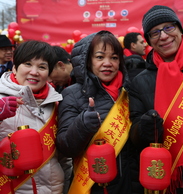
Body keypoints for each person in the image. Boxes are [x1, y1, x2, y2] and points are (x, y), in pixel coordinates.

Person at [56, 30, 141, 194]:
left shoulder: (130, 90)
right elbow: (65, 147)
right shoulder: (72, 94)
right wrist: (82, 125)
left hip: (132, 183)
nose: (108, 63)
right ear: (87, 61)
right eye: (100, 57)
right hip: (95, 186)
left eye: (114, 58)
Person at [129, 5, 183, 194]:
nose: (163, 36)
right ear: (149, 41)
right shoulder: (139, 81)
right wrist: (144, 128)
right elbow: (135, 134)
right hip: (173, 178)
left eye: (169, 27)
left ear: (179, 28)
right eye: (154, 33)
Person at [0, 40, 64, 193]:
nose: (34, 72)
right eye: (28, 64)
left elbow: (63, 159)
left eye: (42, 67)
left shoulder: (56, 103)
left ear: (49, 74)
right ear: (14, 68)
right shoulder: (1, 101)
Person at [48, 45, 74, 193]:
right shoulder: (62, 86)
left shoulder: (80, 82)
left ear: (61, 65)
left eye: (51, 74)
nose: (50, 80)